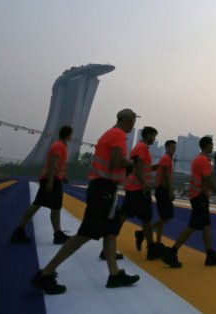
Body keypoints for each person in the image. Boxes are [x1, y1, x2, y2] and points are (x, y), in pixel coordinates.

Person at [30, 109, 141, 295]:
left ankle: (114, 275)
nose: (133, 125)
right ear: (129, 121)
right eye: (133, 121)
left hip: (104, 189)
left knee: (111, 231)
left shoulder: (109, 133)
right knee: (85, 234)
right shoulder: (118, 134)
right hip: (104, 190)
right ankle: (46, 273)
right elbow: (116, 161)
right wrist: (132, 163)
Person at [162, 136, 216, 268]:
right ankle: (172, 253)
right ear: (207, 146)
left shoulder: (201, 159)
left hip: (199, 197)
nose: (213, 147)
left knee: (206, 226)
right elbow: (209, 180)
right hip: (200, 197)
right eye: (211, 144)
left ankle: (210, 255)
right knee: (192, 227)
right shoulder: (203, 160)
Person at [10, 125, 73, 245]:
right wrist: (50, 182)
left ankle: (56, 233)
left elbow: (56, 164)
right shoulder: (59, 146)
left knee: (51, 206)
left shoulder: (60, 145)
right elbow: (52, 164)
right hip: (51, 180)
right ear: (68, 135)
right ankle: (20, 231)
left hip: (55, 179)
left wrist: (62, 177)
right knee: (42, 205)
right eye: (71, 134)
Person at [120, 126, 163, 260]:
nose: (154, 139)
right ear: (148, 135)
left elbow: (141, 167)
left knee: (145, 218)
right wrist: (144, 185)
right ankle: (108, 242)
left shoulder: (140, 148)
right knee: (126, 216)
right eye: (153, 136)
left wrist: (154, 168)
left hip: (135, 188)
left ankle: (151, 248)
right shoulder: (142, 148)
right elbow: (138, 168)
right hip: (138, 189)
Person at [150, 140, 176, 248]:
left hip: (161, 189)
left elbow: (160, 170)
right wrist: (170, 190)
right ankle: (145, 232)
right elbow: (165, 174)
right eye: (172, 147)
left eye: (175, 147)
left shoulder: (165, 159)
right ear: (166, 147)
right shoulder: (166, 159)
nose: (174, 149)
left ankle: (158, 241)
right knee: (167, 216)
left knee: (163, 217)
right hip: (163, 189)